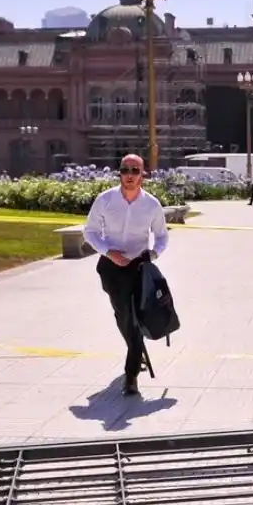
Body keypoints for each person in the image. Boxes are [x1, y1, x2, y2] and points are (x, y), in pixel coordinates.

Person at [82, 154, 170, 396]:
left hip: (139, 266)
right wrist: (108, 252)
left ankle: (131, 376)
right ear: (119, 173)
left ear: (143, 174)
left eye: (135, 170)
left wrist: (154, 254)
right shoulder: (105, 200)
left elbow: (162, 236)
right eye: (125, 170)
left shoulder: (151, 204)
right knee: (124, 316)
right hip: (112, 267)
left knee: (138, 316)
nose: (129, 175)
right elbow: (89, 232)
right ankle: (136, 348)